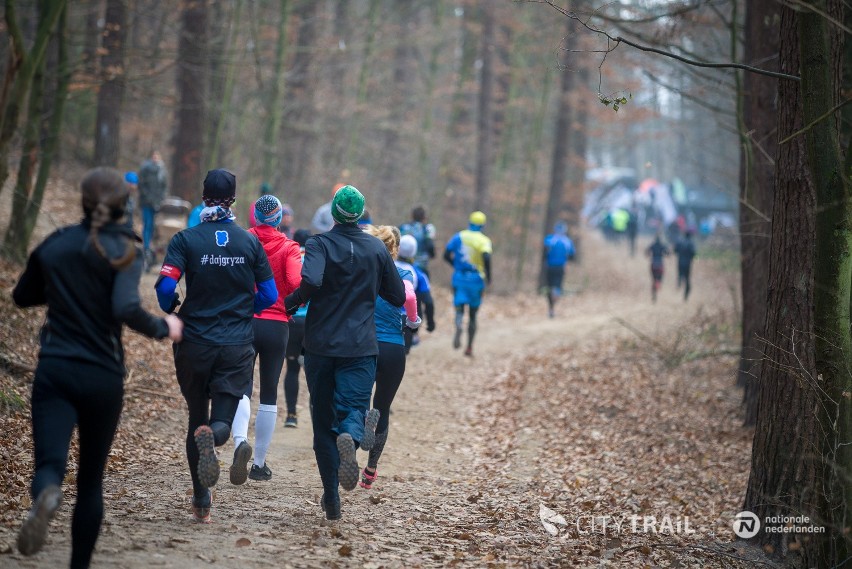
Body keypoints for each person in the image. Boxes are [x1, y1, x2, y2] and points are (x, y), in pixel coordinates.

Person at [13, 167, 183, 568]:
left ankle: (46, 494)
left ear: (84, 202)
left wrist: (62, 287)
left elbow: (23, 296)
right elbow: (124, 307)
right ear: (125, 205)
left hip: (54, 370)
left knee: (50, 464)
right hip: (102, 376)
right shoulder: (125, 250)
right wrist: (164, 326)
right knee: (90, 481)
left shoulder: (55, 246)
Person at [154, 168, 277, 523]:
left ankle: (201, 501)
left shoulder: (185, 240)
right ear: (235, 201)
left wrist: (171, 308)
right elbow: (268, 294)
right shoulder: (249, 242)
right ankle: (217, 435)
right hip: (236, 344)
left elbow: (165, 288)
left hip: (195, 341)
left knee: (196, 414)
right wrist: (243, 311)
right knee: (220, 419)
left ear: (204, 197)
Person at [283, 185, 405, 521]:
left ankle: (331, 499)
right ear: (362, 213)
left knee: (323, 424)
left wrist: (290, 303)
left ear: (334, 213)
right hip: (361, 346)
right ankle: (351, 436)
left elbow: (311, 281)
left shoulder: (319, 243)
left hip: (321, 346)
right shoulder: (376, 250)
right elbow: (396, 295)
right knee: (353, 408)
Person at [230, 195, 302, 482]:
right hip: (277, 324)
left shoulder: (242, 240)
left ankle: (239, 443)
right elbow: (297, 283)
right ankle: (259, 464)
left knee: (242, 385)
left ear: (256, 217)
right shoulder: (289, 247)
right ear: (278, 218)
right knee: (269, 390)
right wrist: (290, 304)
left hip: (244, 320)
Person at [359, 225, 420, 490]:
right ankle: (371, 470)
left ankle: (360, 423)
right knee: (383, 406)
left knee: (356, 397)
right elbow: (410, 298)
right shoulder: (405, 273)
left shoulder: (364, 273)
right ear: (395, 250)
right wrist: (413, 321)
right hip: (394, 348)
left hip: (365, 345)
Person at [443, 211, 492, 357]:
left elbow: (446, 255)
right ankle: (469, 347)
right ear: (482, 225)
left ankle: (458, 323)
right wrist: (489, 277)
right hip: (476, 279)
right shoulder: (483, 240)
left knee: (459, 307)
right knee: (473, 314)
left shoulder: (459, 236)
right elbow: (487, 256)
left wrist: (455, 265)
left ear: (469, 222)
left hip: (459, 277)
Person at [282, 228, 311, 428]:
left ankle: (291, 415)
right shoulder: (315, 260)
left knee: (292, 368)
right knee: (314, 371)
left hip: (291, 322)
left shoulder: (289, 257)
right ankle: (318, 416)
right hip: (311, 323)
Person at [397, 234, 435, 348]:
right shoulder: (418, 274)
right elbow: (428, 301)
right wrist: (430, 322)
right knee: (403, 354)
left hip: (383, 318)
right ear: (414, 252)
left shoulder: (386, 266)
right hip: (406, 321)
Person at [137, 150, 168, 265]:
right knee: (148, 224)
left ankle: (154, 248)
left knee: (157, 226)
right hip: (146, 202)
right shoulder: (145, 169)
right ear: (151, 157)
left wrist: (162, 200)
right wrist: (149, 198)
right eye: (154, 156)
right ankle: (146, 246)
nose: (155, 158)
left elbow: (164, 187)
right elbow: (142, 185)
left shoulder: (162, 170)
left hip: (158, 203)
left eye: (157, 156)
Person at [542, 221, 575, 318]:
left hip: (550, 266)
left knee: (550, 287)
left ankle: (551, 309)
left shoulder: (549, 239)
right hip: (560, 267)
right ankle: (554, 301)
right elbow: (572, 256)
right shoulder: (567, 241)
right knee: (557, 287)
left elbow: (544, 253)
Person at [399, 205, 436, 277]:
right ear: (424, 217)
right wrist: (432, 254)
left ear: (412, 216)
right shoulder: (427, 228)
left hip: (402, 266)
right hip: (421, 267)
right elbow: (430, 245)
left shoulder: (403, 227)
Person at [645, 232, 670, 303]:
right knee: (659, 279)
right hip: (660, 265)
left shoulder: (653, 245)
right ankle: (658, 284)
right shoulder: (662, 245)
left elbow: (646, 252)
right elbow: (668, 253)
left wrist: (650, 255)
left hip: (653, 264)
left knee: (653, 280)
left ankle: (654, 295)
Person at [674, 230, 697, 301]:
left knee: (680, 275)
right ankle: (685, 296)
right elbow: (694, 253)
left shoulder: (680, 242)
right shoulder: (691, 243)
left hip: (680, 262)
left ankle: (679, 283)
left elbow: (675, 250)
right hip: (688, 264)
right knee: (687, 279)